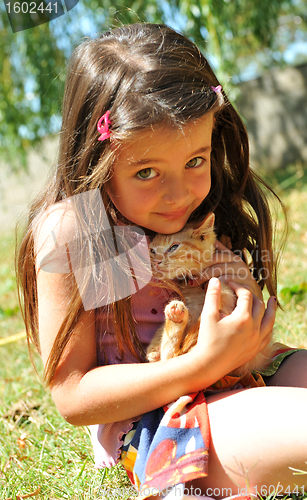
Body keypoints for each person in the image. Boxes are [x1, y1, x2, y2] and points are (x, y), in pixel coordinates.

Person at [16, 23, 307, 500]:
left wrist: (241, 300)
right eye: (147, 172)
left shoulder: (201, 213)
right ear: (99, 160)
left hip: (243, 370)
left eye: (196, 160)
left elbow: (240, 310)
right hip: (159, 414)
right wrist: (201, 366)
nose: (179, 194)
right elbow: (72, 393)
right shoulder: (81, 230)